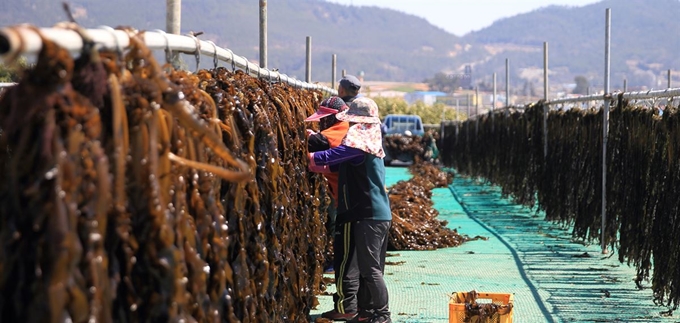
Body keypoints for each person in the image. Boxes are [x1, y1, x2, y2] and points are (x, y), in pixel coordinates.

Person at [309, 97, 392, 323]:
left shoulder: (359, 146)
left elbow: (334, 156)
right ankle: (365, 314)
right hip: (371, 214)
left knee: (371, 270)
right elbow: (337, 163)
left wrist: (310, 156)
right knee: (368, 268)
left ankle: (382, 315)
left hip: (370, 215)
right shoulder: (364, 144)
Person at [305, 96, 350, 273]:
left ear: (335, 117)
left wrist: (305, 135)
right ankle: (339, 261)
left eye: (325, 118)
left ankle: (341, 264)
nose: (322, 122)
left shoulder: (338, 131)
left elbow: (317, 143)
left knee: (341, 229)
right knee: (338, 227)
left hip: (346, 196)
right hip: (341, 193)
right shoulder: (344, 129)